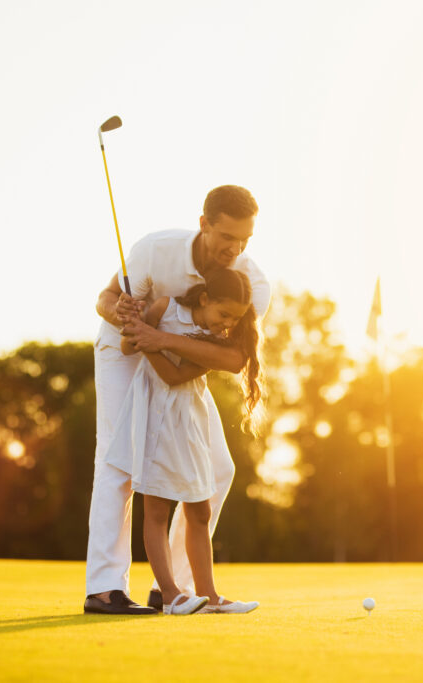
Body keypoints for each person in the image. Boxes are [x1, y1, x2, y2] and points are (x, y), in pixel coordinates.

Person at [84, 185, 270, 615]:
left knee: (219, 469)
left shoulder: (250, 283)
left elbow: (234, 356)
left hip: (180, 360)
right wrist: (125, 315)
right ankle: (105, 588)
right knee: (120, 460)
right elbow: (105, 298)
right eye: (227, 236)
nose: (235, 248)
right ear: (204, 223)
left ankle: (178, 588)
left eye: (244, 239)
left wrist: (160, 338)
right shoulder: (156, 248)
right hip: (124, 352)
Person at [106, 269, 262, 614]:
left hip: (189, 421)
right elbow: (127, 344)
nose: (227, 325)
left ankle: (208, 594)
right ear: (205, 299)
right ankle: (170, 593)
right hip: (154, 417)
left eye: (234, 319)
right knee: (157, 508)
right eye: (224, 315)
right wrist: (134, 325)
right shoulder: (164, 307)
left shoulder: (213, 341)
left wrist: (153, 342)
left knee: (201, 510)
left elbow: (174, 375)